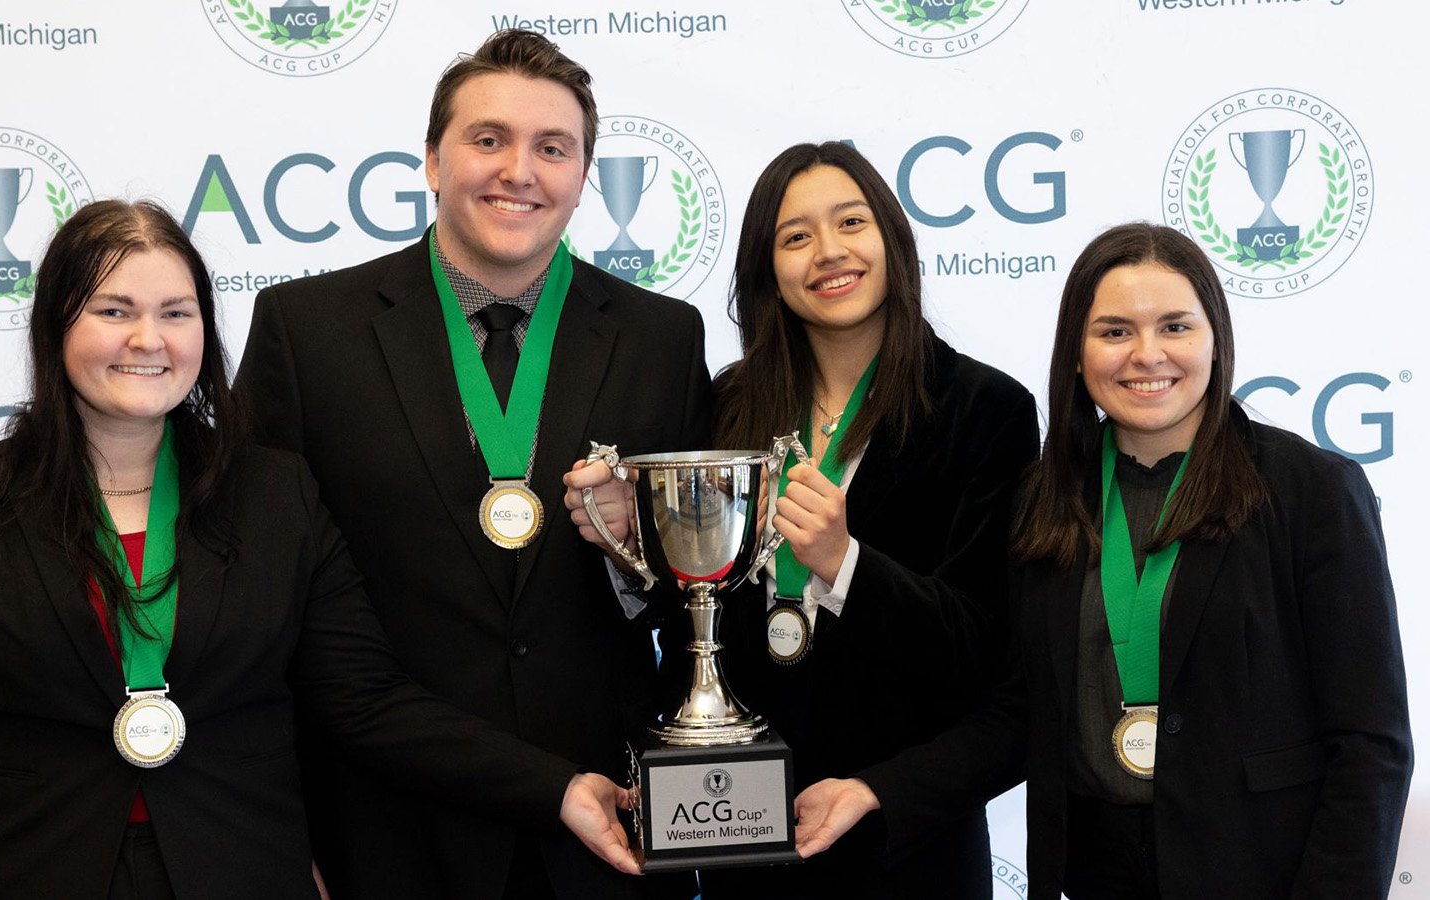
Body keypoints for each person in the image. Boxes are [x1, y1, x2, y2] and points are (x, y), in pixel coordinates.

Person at [0, 200, 640, 900]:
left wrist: (555, 788)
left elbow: (365, 701)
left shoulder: (274, 498)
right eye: (113, 310)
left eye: (177, 313)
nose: (148, 339)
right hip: (17, 874)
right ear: (55, 323)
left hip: (240, 872)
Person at [793, 223, 1413, 897]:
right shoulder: (1045, 493)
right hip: (1090, 873)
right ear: (1079, 354)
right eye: (1115, 331)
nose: (1147, 356)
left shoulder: (1309, 489)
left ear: (1215, 338)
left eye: (1175, 327)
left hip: (1260, 869)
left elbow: (1368, 745)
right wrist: (876, 789)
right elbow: (1019, 711)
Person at [233, 29, 710, 900]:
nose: (518, 170)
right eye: (488, 139)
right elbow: (255, 608)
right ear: (430, 160)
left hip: (608, 831)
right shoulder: (307, 333)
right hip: (380, 832)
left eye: (551, 148)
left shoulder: (662, 338)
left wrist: (629, 558)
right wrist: (273, 832)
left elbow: (699, 594)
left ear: (582, 178)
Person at [567, 141, 1038, 895]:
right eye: (795, 237)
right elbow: (684, 610)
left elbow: (980, 650)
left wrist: (844, 562)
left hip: (901, 841)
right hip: (736, 834)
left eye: (850, 222)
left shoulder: (987, 411)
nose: (828, 253)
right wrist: (629, 540)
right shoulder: (726, 407)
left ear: (892, 238)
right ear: (767, 271)